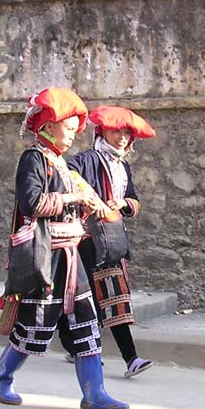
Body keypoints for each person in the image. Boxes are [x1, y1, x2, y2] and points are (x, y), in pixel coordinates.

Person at [0, 87, 129, 409]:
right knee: (36, 325)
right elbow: (32, 203)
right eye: (68, 128)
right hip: (46, 259)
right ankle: (1, 375)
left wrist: (89, 203)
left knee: (86, 323)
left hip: (71, 258)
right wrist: (73, 199)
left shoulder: (62, 165)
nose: (72, 136)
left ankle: (95, 393)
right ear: (49, 126)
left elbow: (70, 206)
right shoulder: (33, 159)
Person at [60, 105, 157, 378]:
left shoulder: (123, 166)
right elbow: (67, 174)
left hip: (111, 239)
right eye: (117, 132)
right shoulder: (89, 159)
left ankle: (128, 358)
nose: (122, 138)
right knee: (87, 298)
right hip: (87, 240)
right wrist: (93, 198)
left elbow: (134, 200)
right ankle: (89, 349)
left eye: (127, 133)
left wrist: (123, 203)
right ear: (103, 132)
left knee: (110, 297)